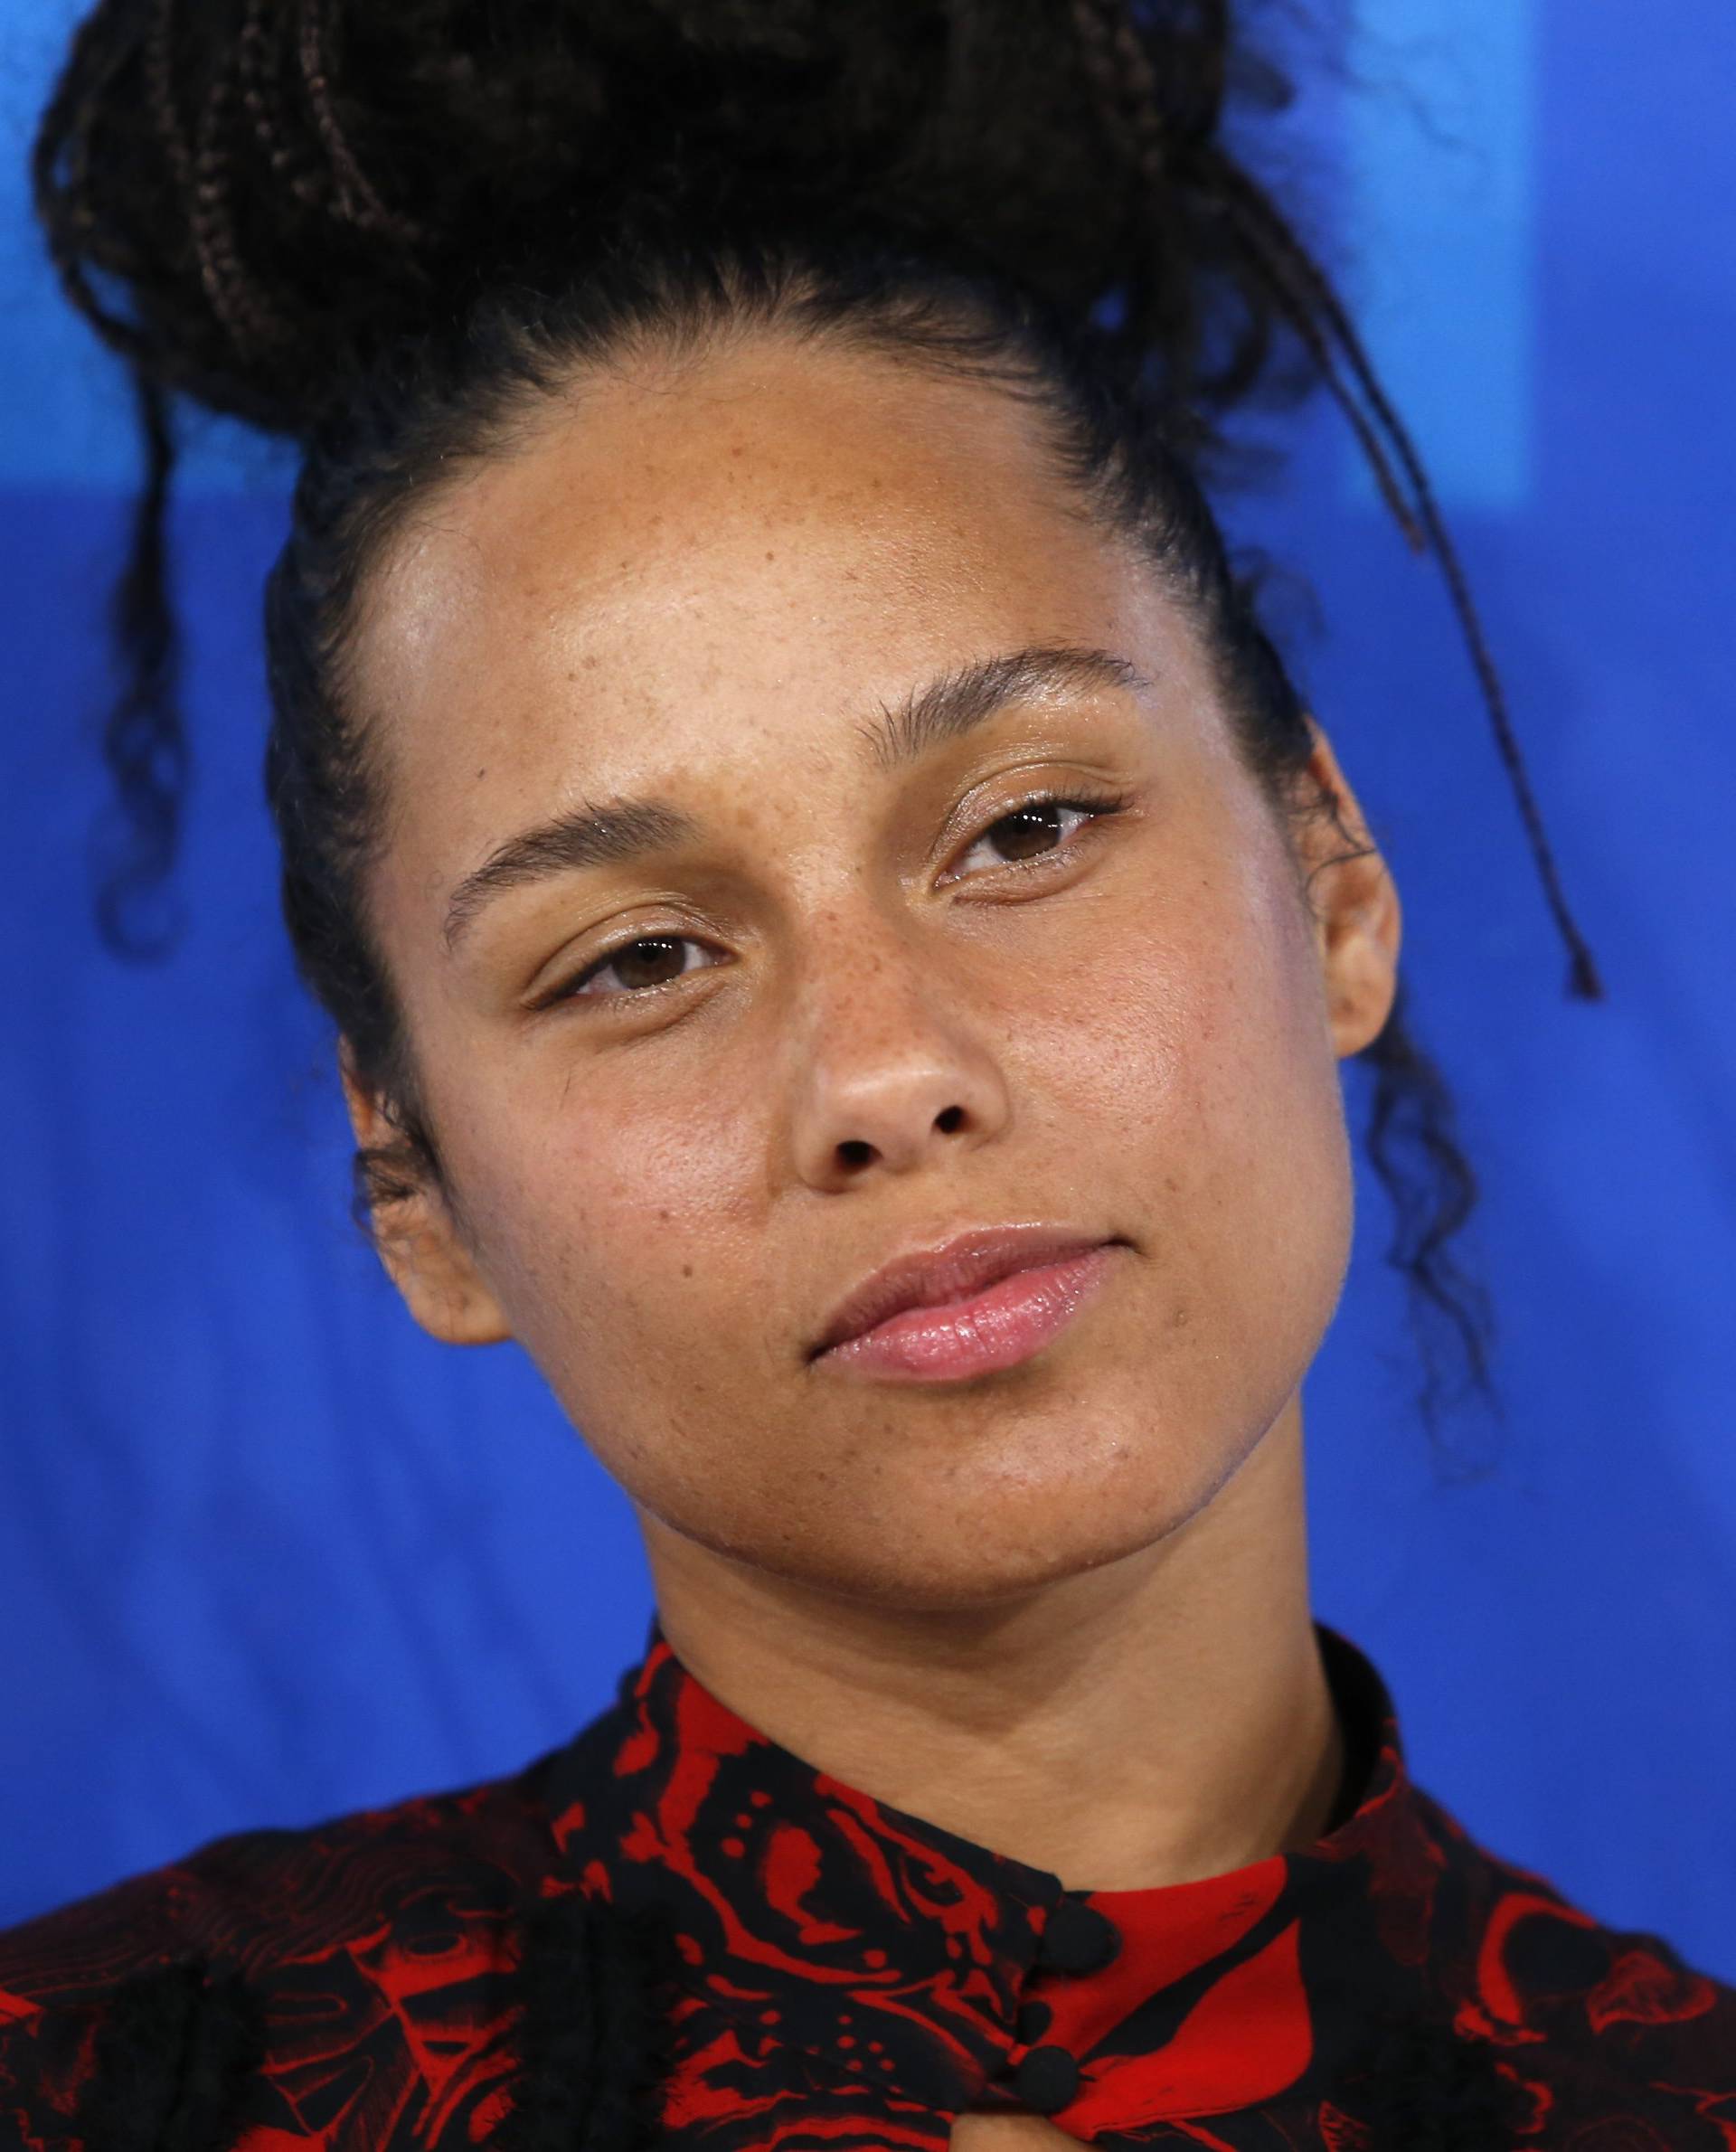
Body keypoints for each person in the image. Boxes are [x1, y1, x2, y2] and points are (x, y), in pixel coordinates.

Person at [5, 2, 1727, 2147]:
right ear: (418, 1184)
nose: (888, 1071)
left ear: (1334, 875)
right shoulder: (99, 2086)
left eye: (1024, 830)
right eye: (639, 955)